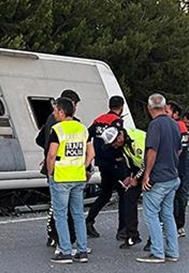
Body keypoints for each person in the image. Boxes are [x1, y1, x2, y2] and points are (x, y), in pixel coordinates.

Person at [45, 96, 95, 263]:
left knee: (61, 215)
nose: (54, 114)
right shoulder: (82, 129)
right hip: (78, 177)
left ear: (61, 111)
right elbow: (91, 153)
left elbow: (52, 154)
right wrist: (83, 165)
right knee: (78, 214)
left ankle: (65, 251)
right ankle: (82, 251)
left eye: (55, 110)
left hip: (61, 177)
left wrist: (51, 173)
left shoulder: (57, 130)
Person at [137, 94, 182, 263]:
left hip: (159, 177)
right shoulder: (174, 124)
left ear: (149, 109)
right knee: (168, 214)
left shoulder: (155, 125)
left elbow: (152, 151)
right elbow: (178, 149)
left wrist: (146, 174)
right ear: (165, 107)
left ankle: (157, 251)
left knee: (151, 214)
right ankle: (172, 250)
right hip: (172, 175)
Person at [38, 89, 81, 249]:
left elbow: (40, 139)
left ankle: (53, 236)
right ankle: (68, 242)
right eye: (75, 104)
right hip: (68, 170)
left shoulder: (50, 119)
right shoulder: (74, 124)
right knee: (69, 210)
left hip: (54, 167)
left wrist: (48, 155)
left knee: (56, 206)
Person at [86, 96, 127, 238]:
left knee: (105, 194)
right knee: (123, 194)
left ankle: (89, 220)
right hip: (115, 162)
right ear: (121, 107)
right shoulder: (117, 121)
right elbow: (119, 140)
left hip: (102, 162)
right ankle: (122, 229)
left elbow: (87, 135)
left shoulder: (98, 119)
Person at [117, 127, 144, 248]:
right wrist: (128, 177)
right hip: (141, 170)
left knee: (153, 206)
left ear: (119, 137)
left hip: (155, 169)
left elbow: (147, 162)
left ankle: (154, 240)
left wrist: (136, 179)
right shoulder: (123, 143)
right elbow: (131, 163)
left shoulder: (137, 140)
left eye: (114, 142)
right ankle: (132, 235)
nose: (114, 146)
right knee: (128, 198)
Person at [170, 102, 189, 237]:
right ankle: (179, 225)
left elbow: (178, 150)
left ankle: (177, 224)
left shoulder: (177, 126)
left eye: (168, 111)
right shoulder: (181, 126)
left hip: (178, 166)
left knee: (177, 196)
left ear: (176, 113)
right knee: (180, 195)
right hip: (182, 166)